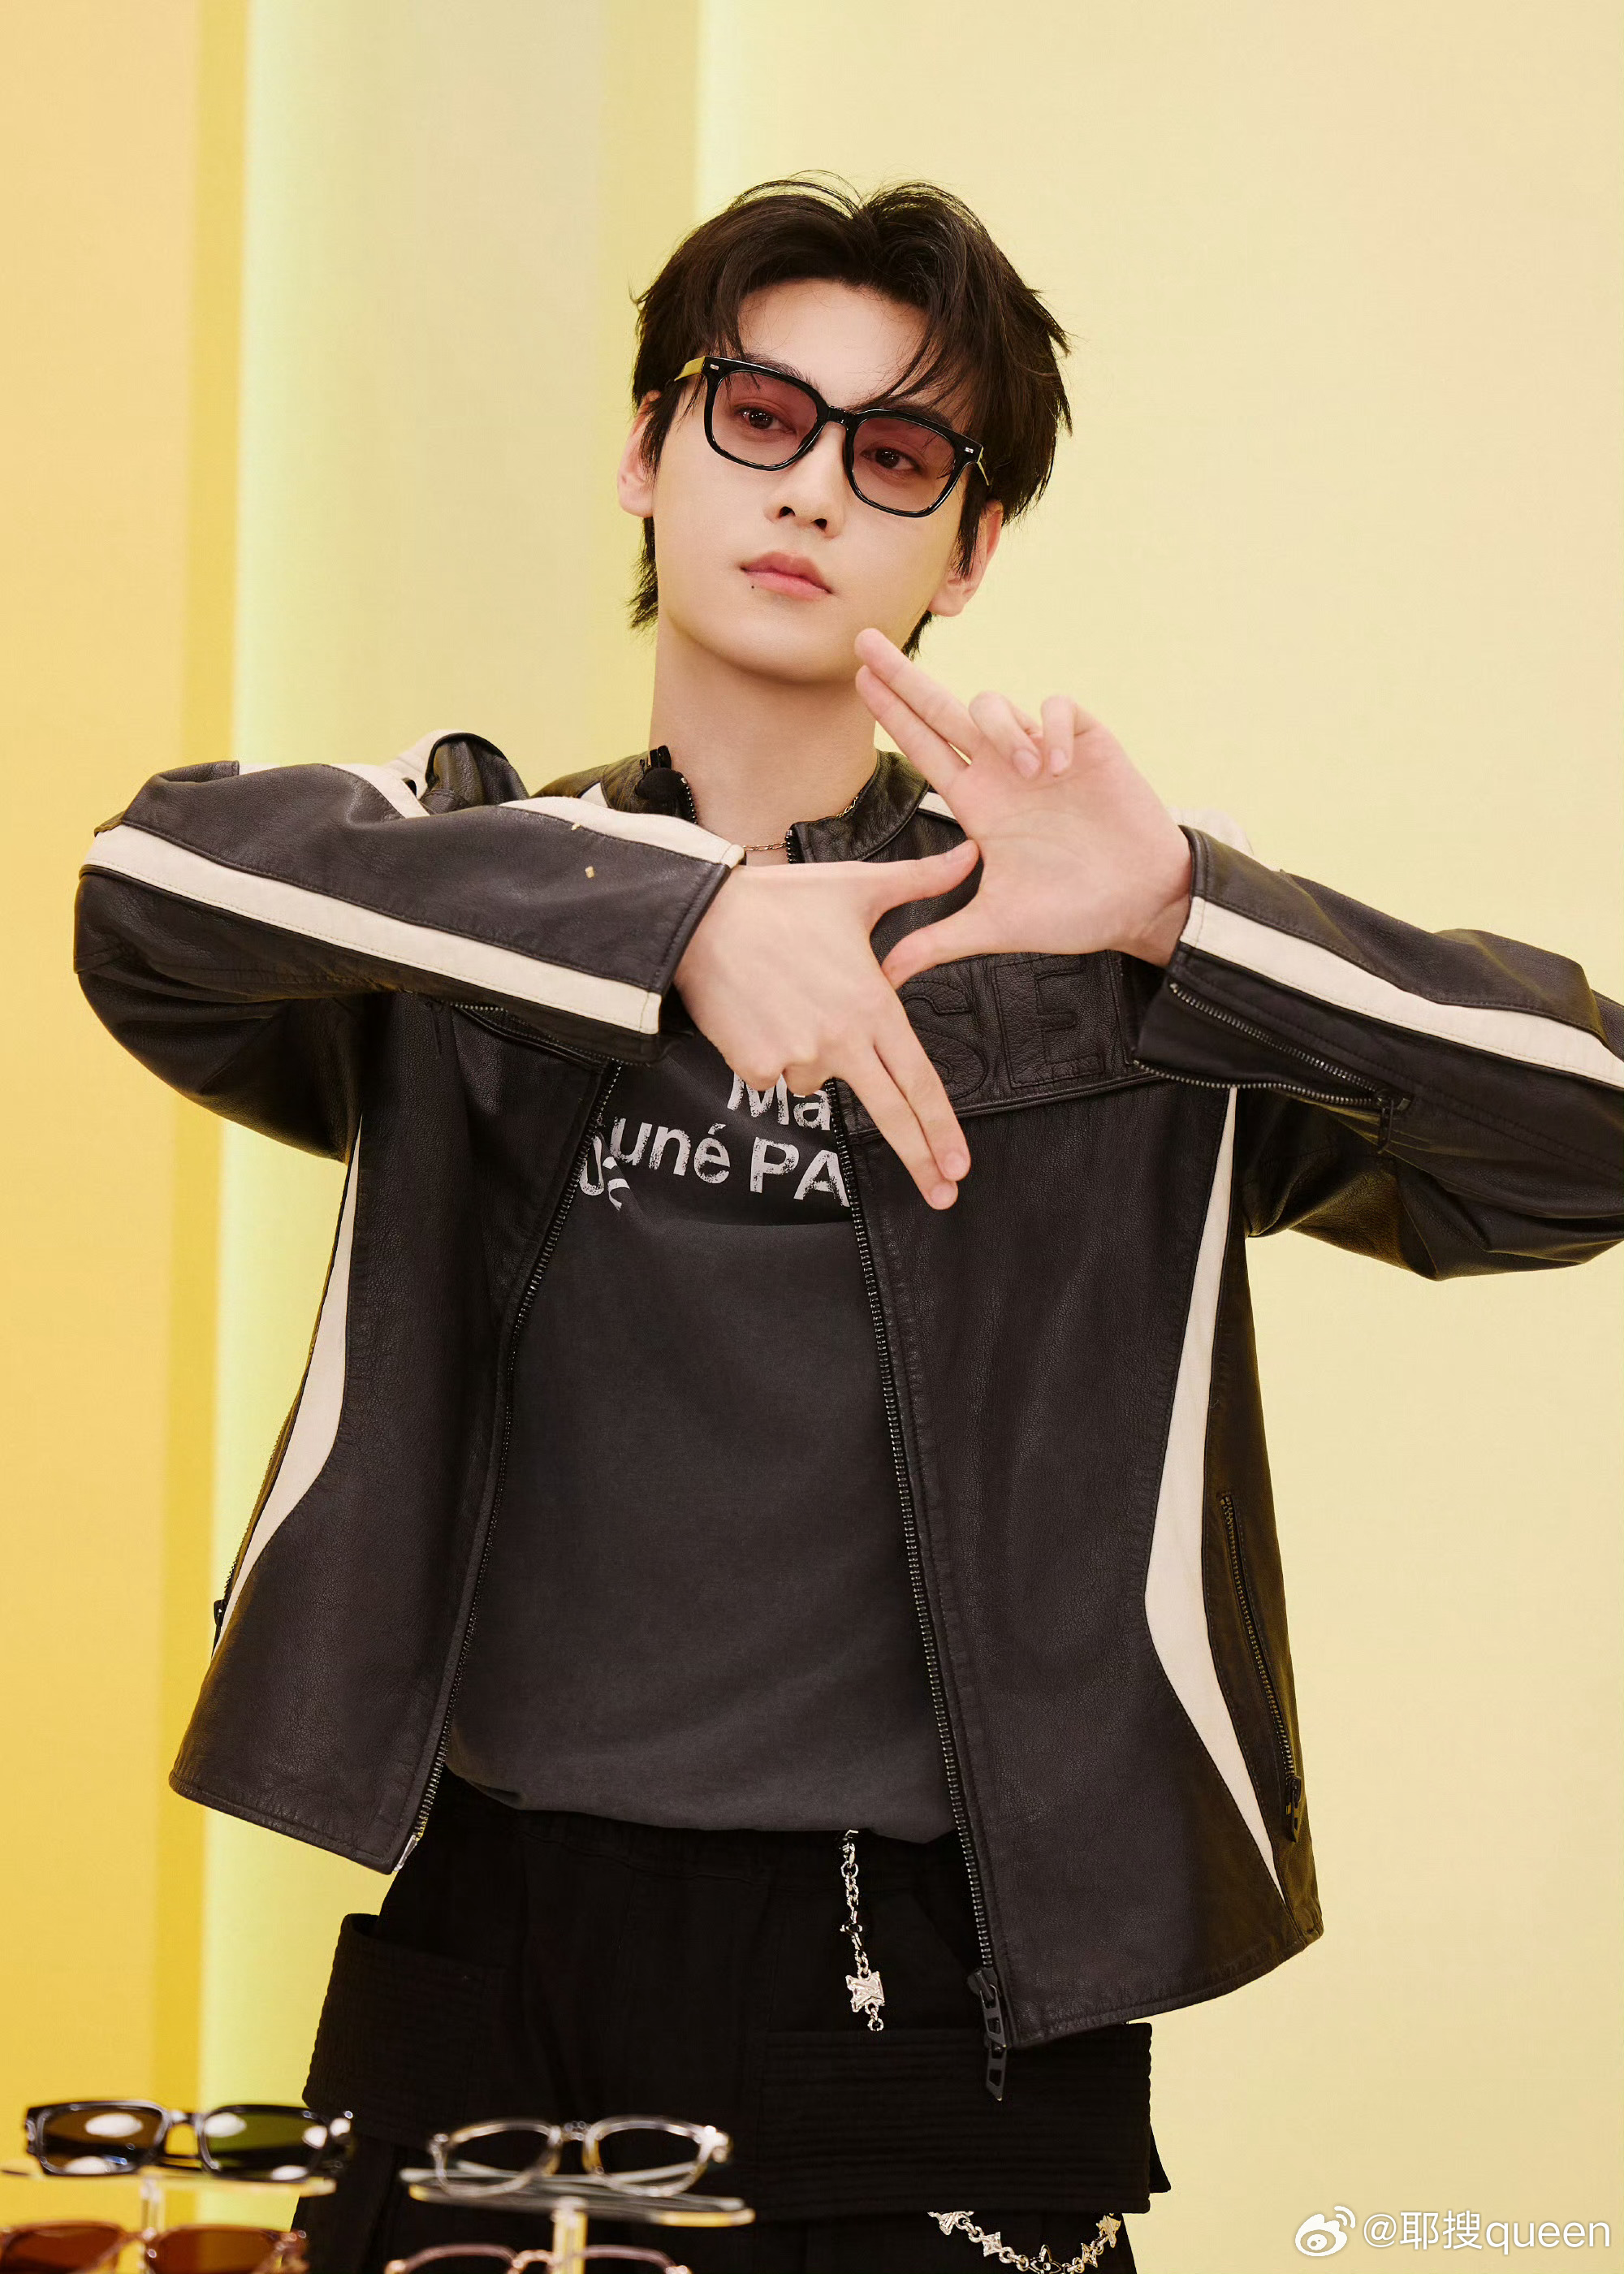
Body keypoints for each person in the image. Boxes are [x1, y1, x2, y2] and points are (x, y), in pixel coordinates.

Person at [74, 178, 1623, 2274]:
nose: (810, 485)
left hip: (928, 1988)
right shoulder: (470, 903)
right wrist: (674, 919)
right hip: (489, 1944)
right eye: (758, 415)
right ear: (650, 450)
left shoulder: (1096, 968)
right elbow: (147, 893)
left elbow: (1584, 1135)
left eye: (896, 454)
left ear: (968, 549)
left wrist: (1184, 915)